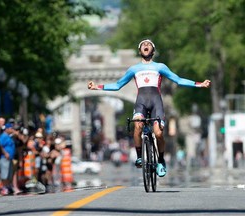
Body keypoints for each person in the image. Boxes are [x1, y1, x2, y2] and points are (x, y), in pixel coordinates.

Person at [87, 39, 211, 177]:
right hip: (141, 103)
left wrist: (199, 84)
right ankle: (140, 157)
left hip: (156, 103)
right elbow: (117, 85)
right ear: (140, 51)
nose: (146, 46)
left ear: (153, 50)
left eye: (149, 45)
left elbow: (178, 80)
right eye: (143, 45)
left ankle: (161, 160)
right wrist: (97, 86)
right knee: (138, 126)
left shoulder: (160, 67)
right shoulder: (133, 69)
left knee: (158, 133)